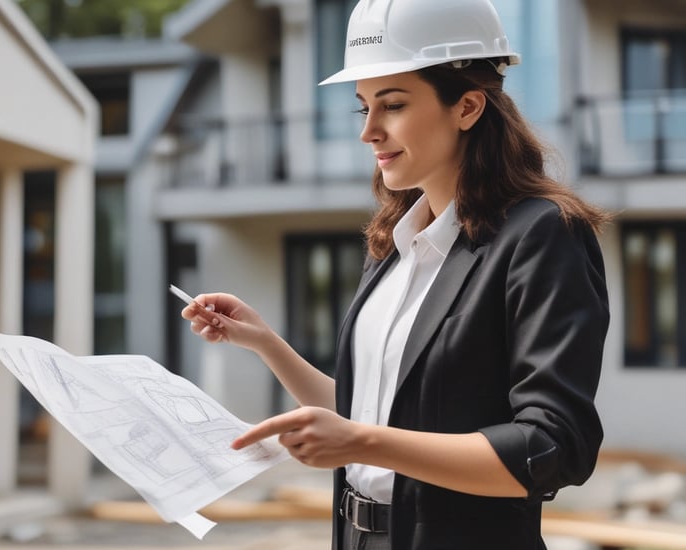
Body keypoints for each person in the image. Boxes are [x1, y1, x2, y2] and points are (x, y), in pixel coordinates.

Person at [182, 0, 610, 548]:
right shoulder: (394, 241)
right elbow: (370, 413)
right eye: (364, 108)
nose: (370, 132)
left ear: (468, 107)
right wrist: (266, 344)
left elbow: (551, 448)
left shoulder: (543, 235)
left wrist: (362, 442)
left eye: (394, 105)